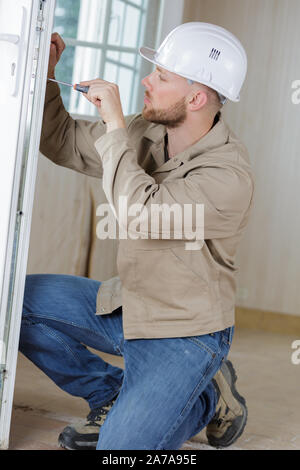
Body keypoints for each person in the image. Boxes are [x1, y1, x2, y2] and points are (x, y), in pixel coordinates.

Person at [19, 22, 254, 450]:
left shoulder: (228, 177)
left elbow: (139, 212)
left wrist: (113, 126)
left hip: (185, 332)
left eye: (161, 76)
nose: (147, 80)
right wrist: (48, 72)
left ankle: (205, 396)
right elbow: (62, 141)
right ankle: (108, 392)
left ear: (196, 97)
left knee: (121, 450)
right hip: (130, 304)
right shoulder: (147, 131)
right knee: (15, 303)